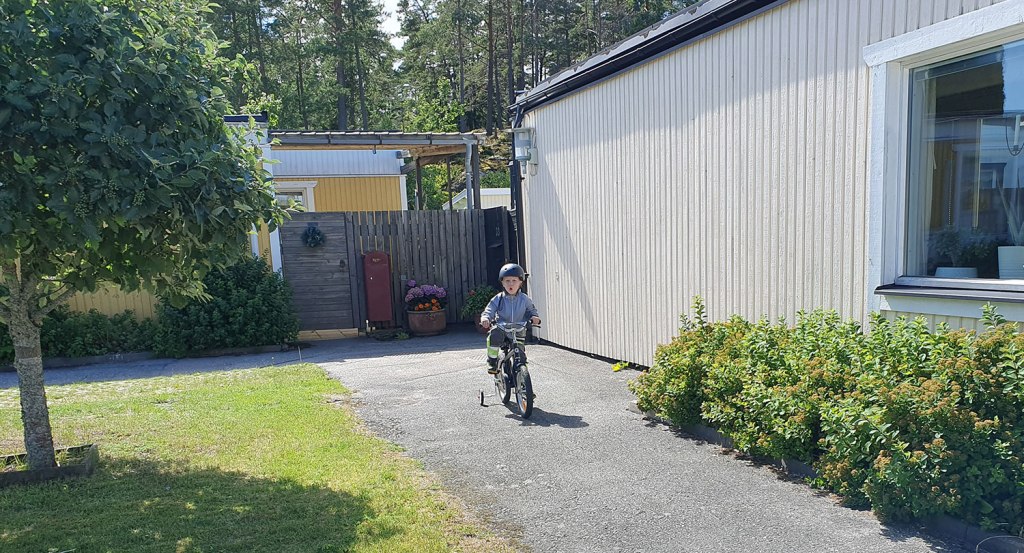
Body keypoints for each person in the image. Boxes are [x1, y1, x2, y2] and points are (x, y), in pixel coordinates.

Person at [480, 263, 542, 374]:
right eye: (507, 281)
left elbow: (531, 311)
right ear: (502, 283)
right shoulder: (499, 298)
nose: (511, 284)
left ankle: (522, 380)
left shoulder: (524, 299)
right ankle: (492, 361)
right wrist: (485, 318)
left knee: (521, 356)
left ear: (520, 282)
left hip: (518, 330)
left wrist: (534, 317)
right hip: (502, 329)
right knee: (494, 335)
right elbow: (489, 310)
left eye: (514, 281)